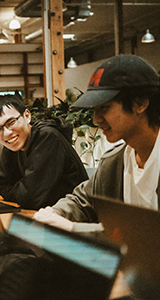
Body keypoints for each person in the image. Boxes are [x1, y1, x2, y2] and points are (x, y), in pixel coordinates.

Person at [33, 54, 160, 232]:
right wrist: (54, 214)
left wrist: (72, 227)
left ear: (140, 103)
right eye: (94, 110)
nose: (95, 119)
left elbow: (146, 234)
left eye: (104, 108)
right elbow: (81, 200)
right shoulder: (114, 161)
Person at [0, 94, 88, 209]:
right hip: (45, 214)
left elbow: (29, 198)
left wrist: (18, 189)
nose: (7, 133)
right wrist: (20, 189)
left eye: (11, 122)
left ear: (27, 116)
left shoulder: (47, 137)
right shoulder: (13, 144)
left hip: (75, 217)